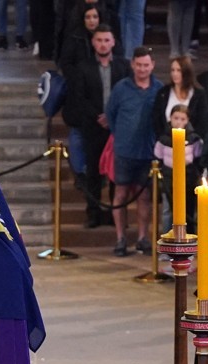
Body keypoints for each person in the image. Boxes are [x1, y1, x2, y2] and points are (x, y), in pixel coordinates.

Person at [61, 25, 130, 228]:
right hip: (93, 126)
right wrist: (99, 116)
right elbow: (80, 97)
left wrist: (112, 117)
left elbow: (126, 94)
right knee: (93, 172)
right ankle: (93, 213)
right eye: (99, 40)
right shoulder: (83, 67)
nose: (103, 44)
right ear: (93, 42)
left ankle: (116, 214)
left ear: (113, 42)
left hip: (117, 129)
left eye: (106, 40)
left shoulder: (123, 66)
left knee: (116, 174)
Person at [106, 46, 163, 257]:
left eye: (146, 65)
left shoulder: (159, 88)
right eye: (138, 65)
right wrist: (121, 135)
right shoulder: (121, 88)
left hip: (147, 152)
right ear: (133, 65)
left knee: (144, 196)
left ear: (152, 65)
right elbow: (110, 114)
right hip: (124, 151)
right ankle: (121, 238)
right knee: (120, 194)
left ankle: (142, 237)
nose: (142, 68)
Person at [153, 105, 202, 234]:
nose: (179, 122)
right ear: (170, 118)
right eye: (176, 118)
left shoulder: (193, 139)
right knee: (168, 211)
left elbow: (198, 158)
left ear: (187, 120)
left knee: (188, 211)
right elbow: (158, 157)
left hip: (188, 179)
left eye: (182, 119)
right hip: (168, 179)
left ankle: (189, 243)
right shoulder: (163, 139)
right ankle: (166, 242)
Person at [152, 55, 208, 138]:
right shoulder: (163, 92)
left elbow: (203, 122)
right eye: (173, 70)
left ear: (187, 72)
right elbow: (157, 120)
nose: (175, 73)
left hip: (191, 145)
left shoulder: (199, 94)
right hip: (166, 144)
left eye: (179, 70)